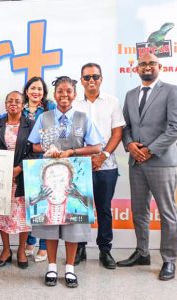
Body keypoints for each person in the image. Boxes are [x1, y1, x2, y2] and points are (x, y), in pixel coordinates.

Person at [28, 76, 102, 288]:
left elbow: (96, 146)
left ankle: (69, 268)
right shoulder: (44, 117)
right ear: (55, 94)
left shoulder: (82, 117)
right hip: (50, 177)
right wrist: (47, 149)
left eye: (68, 91)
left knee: (72, 225)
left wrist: (72, 151)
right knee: (50, 222)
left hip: (74, 178)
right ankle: (52, 266)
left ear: (74, 94)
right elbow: (33, 146)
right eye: (60, 91)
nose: (64, 95)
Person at [117, 53, 177, 281]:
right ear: (137, 69)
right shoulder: (131, 95)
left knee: (167, 213)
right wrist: (131, 145)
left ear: (159, 66)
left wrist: (149, 150)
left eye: (152, 63)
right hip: (136, 162)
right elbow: (125, 126)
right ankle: (142, 253)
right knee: (139, 211)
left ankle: (169, 260)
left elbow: (174, 128)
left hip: (161, 162)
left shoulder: (171, 91)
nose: (147, 67)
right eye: (143, 64)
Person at [73, 63, 125, 269]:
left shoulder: (112, 102)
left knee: (103, 209)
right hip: (80, 166)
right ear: (81, 80)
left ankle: (105, 250)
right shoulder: (75, 104)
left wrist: (102, 156)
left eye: (95, 76)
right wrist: (85, 158)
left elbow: (118, 133)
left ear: (101, 79)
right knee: (80, 209)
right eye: (87, 77)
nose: (91, 80)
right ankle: (79, 248)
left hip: (107, 165)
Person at [0, 91, 34, 269]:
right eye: (10, 101)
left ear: (23, 104)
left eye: (17, 101)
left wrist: (19, 169)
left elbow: (36, 151)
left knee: (24, 216)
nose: (13, 104)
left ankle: (21, 250)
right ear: (5, 104)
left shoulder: (31, 125)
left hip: (23, 176)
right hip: (2, 178)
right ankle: (6, 250)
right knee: (2, 214)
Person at [22, 76, 55, 262]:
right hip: (26, 161)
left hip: (45, 160)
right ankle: (30, 240)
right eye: (33, 88)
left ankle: (43, 245)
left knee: (45, 204)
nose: (36, 92)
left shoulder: (49, 108)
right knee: (31, 203)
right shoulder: (21, 108)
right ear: (26, 91)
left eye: (40, 89)